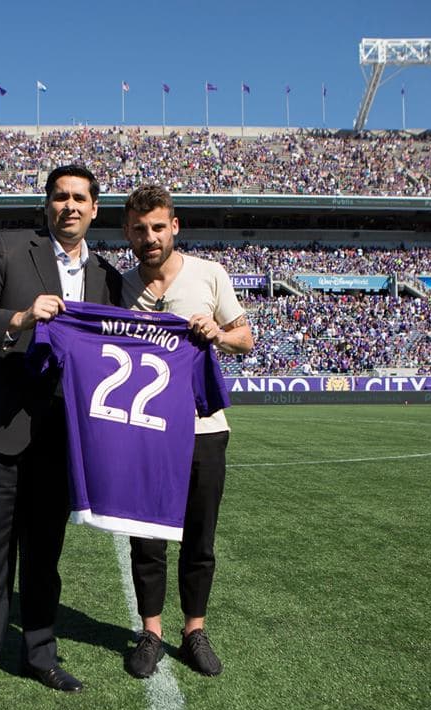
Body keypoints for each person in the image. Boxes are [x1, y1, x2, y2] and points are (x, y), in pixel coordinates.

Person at [0, 165, 121, 710]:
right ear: (47, 205)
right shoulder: (11, 248)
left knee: (45, 559)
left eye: (80, 198)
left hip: (60, 438)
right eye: (60, 196)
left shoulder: (110, 278)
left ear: (95, 210)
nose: (69, 205)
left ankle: (40, 655)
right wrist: (19, 317)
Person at [119, 185, 254, 678]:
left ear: (175, 226)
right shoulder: (120, 286)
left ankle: (193, 629)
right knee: (147, 539)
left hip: (204, 429)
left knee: (199, 536)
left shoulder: (209, 274)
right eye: (140, 228)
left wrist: (218, 334)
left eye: (158, 227)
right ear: (127, 232)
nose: (150, 236)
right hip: (144, 429)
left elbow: (246, 337)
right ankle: (150, 632)